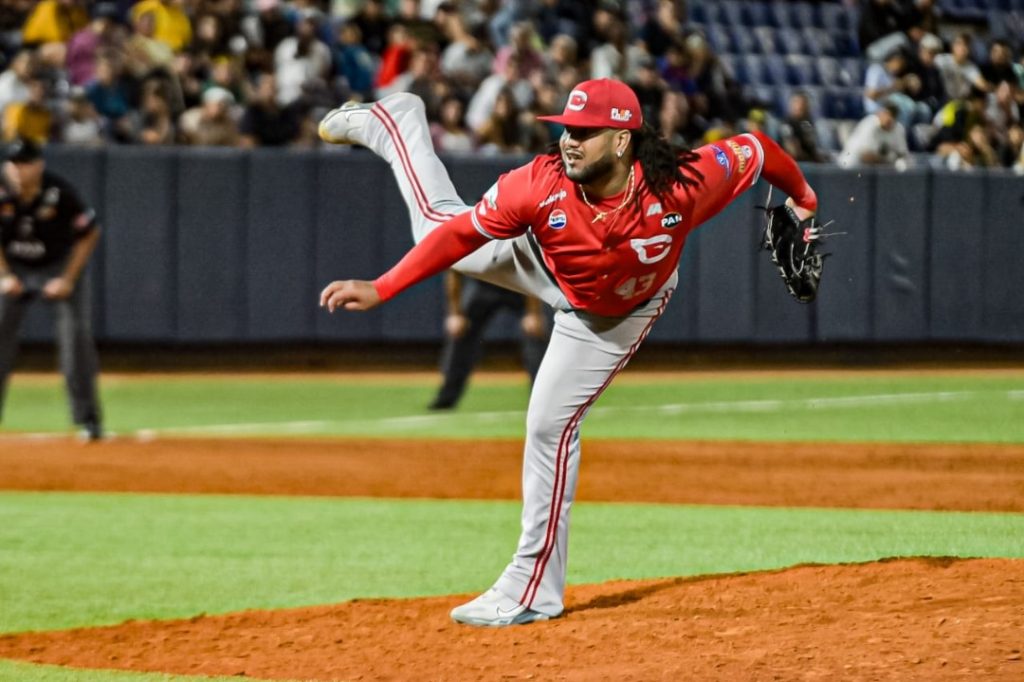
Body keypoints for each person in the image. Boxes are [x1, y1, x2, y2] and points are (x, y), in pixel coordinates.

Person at [317, 78, 818, 627]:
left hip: (617, 313)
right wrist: (384, 287)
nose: (569, 141)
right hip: (540, 259)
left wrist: (805, 198)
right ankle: (396, 123)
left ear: (623, 140)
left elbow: (760, 149)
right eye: (565, 130)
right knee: (435, 224)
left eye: (583, 132)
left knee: (547, 425)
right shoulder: (538, 184)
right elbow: (460, 236)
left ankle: (531, 591)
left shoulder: (682, 181)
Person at [0, 138, 102, 440]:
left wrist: (68, 279)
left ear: (39, 164)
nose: (19, 170)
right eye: (13, 163)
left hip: (57, 267)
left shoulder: (60, 193)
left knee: (76, 339)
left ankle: (88, 421)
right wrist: (4, 274)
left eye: (25, 163)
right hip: (16, 268)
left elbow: (89, 232)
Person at [429, 270, 546, 411]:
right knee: (460, 333)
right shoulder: (469, 248)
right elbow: (453, 272)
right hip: (483, 284)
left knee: (536, 334)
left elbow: (531, 271)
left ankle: (543, 399)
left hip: (518, 285)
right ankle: (446, 398)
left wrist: (533, 313)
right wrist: (455, 314)